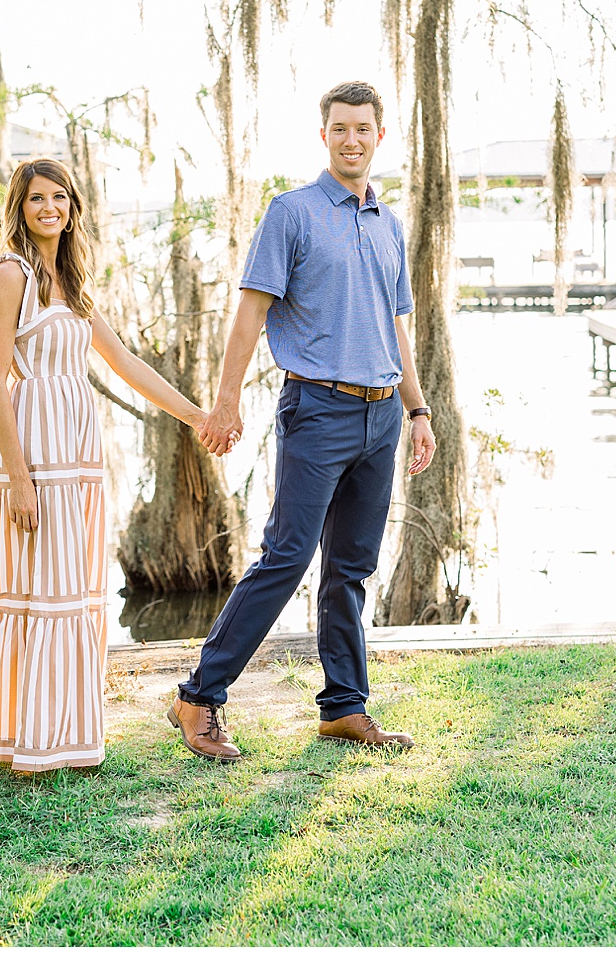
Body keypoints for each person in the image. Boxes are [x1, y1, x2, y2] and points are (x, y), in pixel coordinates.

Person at [0, 158, 210, 771]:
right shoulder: (9, 274)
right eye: (36, 198)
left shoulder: (75, 282)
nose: (49, 208)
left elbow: (125, 364)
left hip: (81, 458)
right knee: (12, 593)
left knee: (69, 597)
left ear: (72, 208)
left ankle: (56, 730)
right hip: (37, 455)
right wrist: (16, 477)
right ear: (19, 207)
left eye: (59, 198)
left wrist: (195, 418)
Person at [169, 80, 438, 761]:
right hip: (317, 408)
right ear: (325, 136)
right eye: (341, 127)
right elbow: (250, 314)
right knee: (288, 556)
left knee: (351, 567)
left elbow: (396, 328)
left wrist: (419, 408)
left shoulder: (390, 224)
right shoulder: (290, 213)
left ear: (380, 135)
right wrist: (225, 402)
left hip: (382, 418)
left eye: (364, 128)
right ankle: (199, 695)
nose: (353, 138)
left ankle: (345, 707)